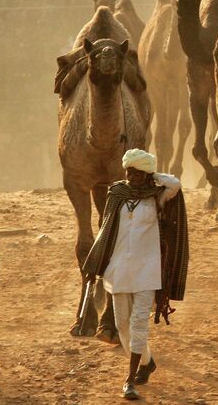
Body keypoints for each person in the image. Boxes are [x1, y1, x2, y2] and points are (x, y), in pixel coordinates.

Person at [82, 149, 185, 400]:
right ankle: (147, 362)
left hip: (147, 270)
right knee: (122, 327)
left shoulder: (158, 197)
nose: (131, 176)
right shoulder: (117, 194)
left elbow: (175, 184)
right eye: (129, 171)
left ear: (146, 174)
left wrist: (152, 175)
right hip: (118, 270)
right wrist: (95, 264)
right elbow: (105, 231)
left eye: (137, 172)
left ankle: (129, 380)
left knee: (138, 324)